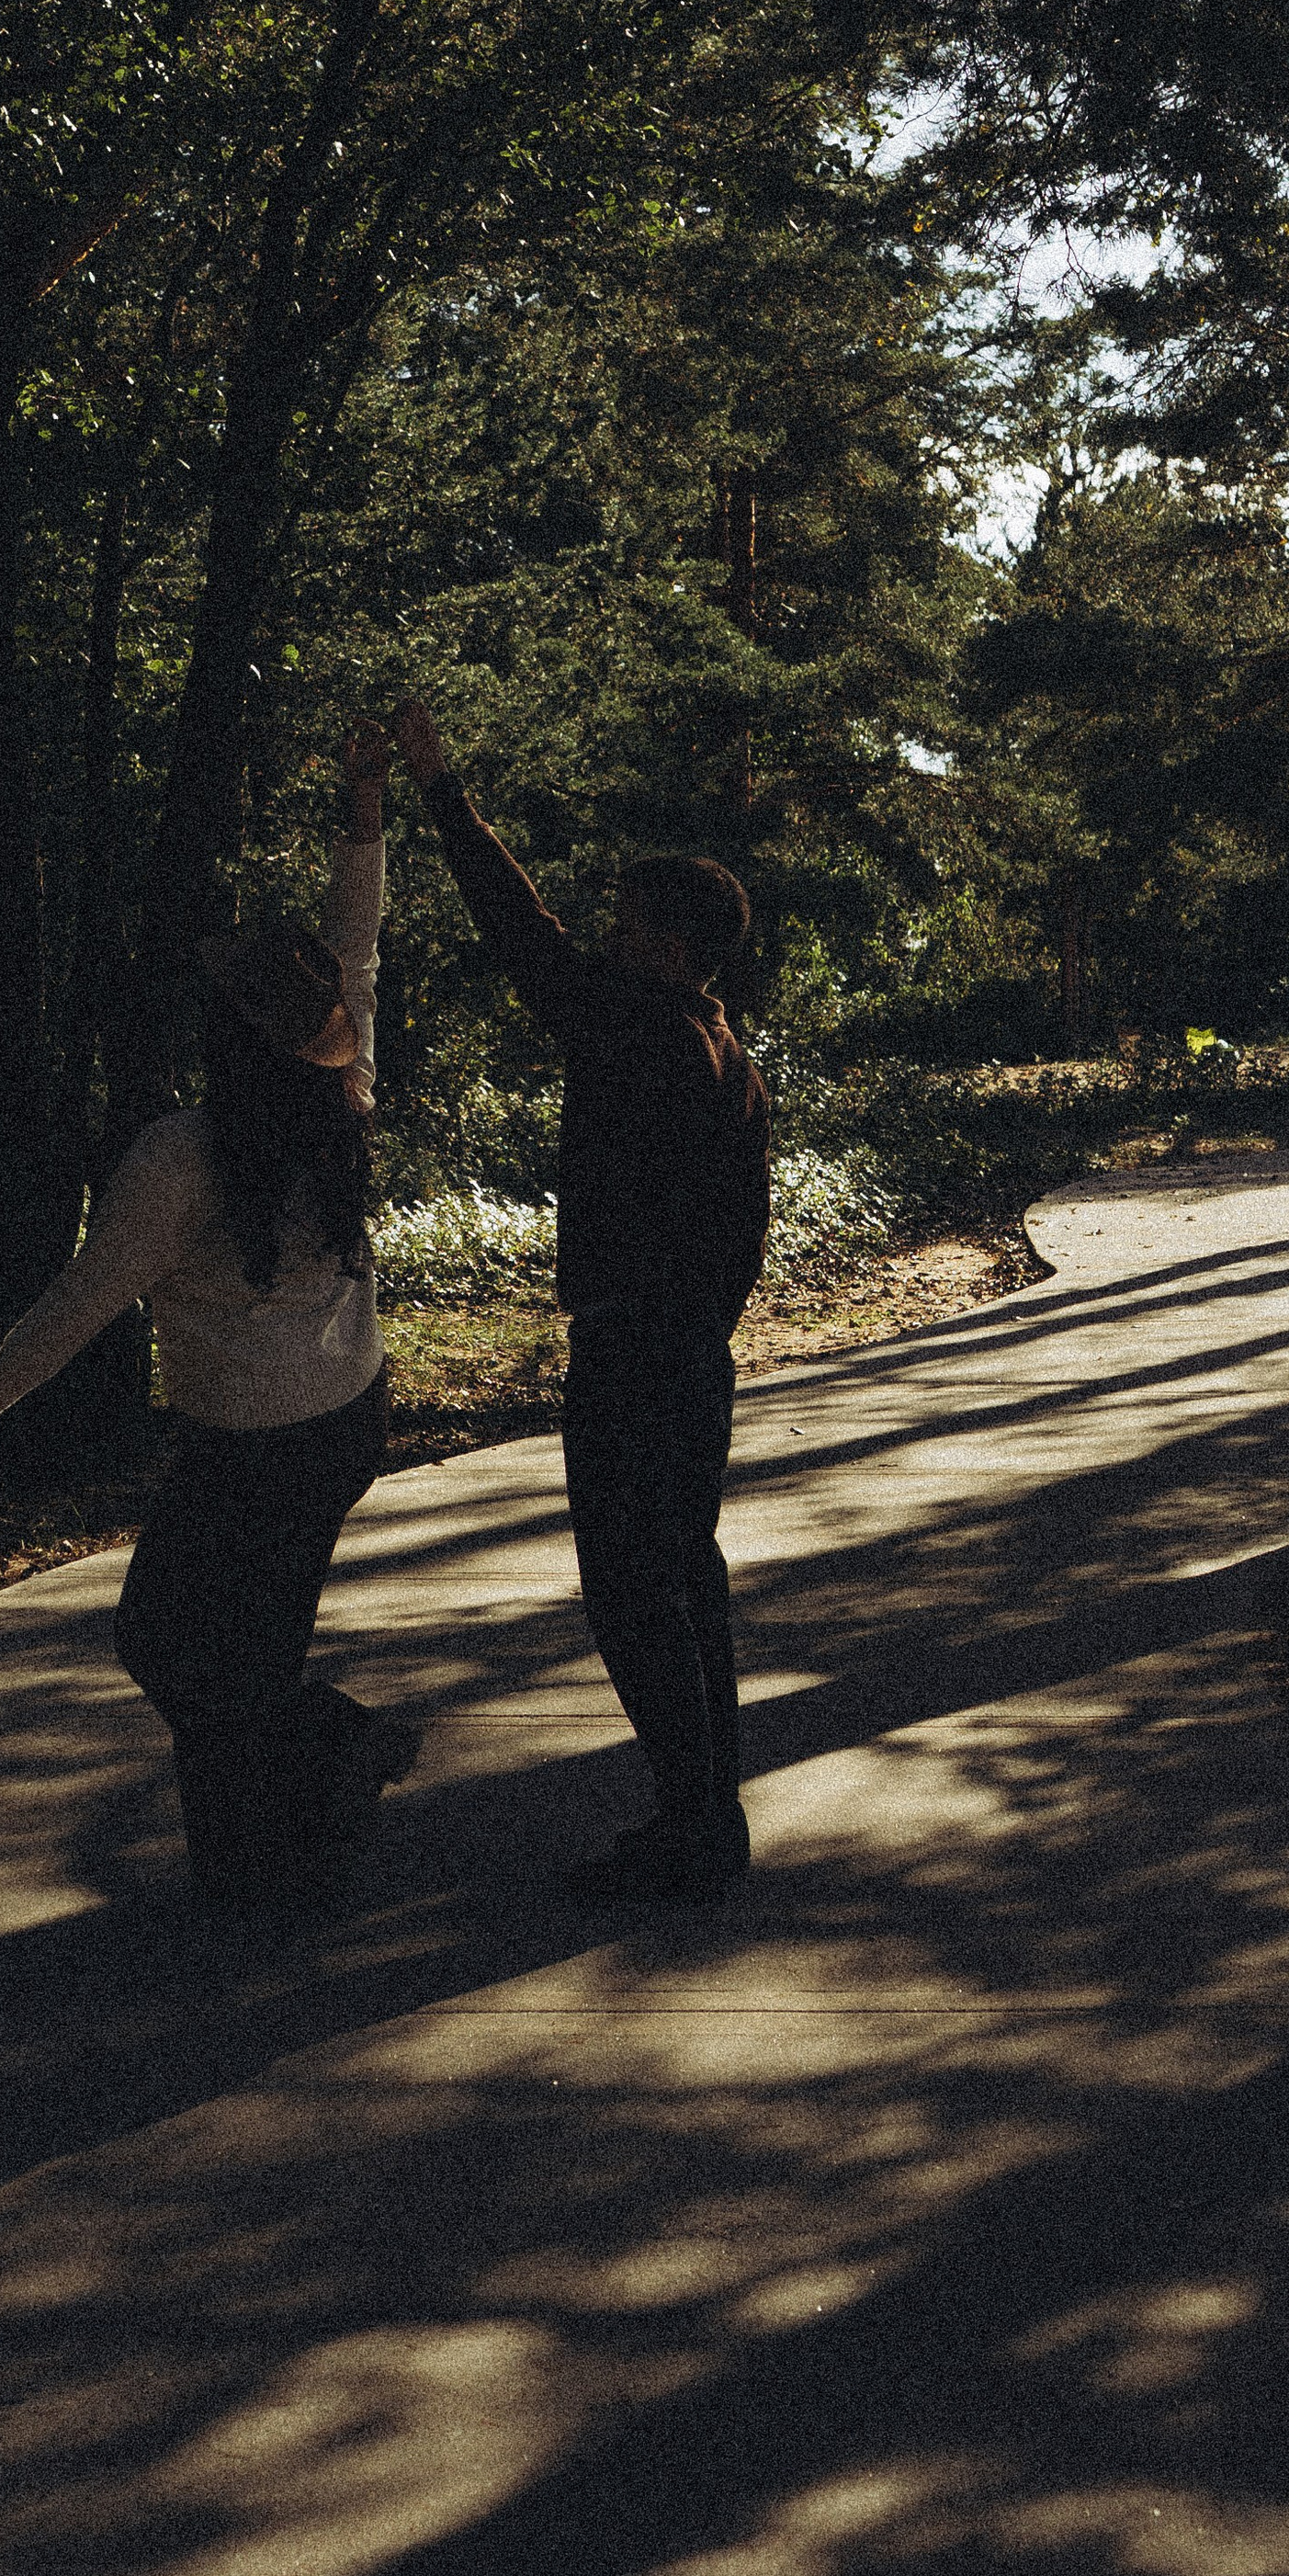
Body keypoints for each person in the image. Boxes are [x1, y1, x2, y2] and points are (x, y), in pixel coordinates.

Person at [0, 726, 416, 1914]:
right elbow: (354, 955)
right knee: (244, 1653)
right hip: (345, 1419)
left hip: (251, 1448)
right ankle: (260, 1864)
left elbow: (85, 1298)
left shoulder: (180, 1158)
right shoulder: (338, 1104)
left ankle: (327, 1770)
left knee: (169, 1641)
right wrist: (363, 818)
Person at [393, 699, 769, 1907]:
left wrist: (444, 795)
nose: (603, 936)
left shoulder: (638, 1031)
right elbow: (745, 1233)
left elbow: (523, 934)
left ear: (664, 940)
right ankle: (709, 1815)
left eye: (623, 920)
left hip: (637, 1357)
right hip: (692, 1356)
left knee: (632, 1593)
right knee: (685, 1579)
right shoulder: (722, 1046)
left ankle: (689, 1828)